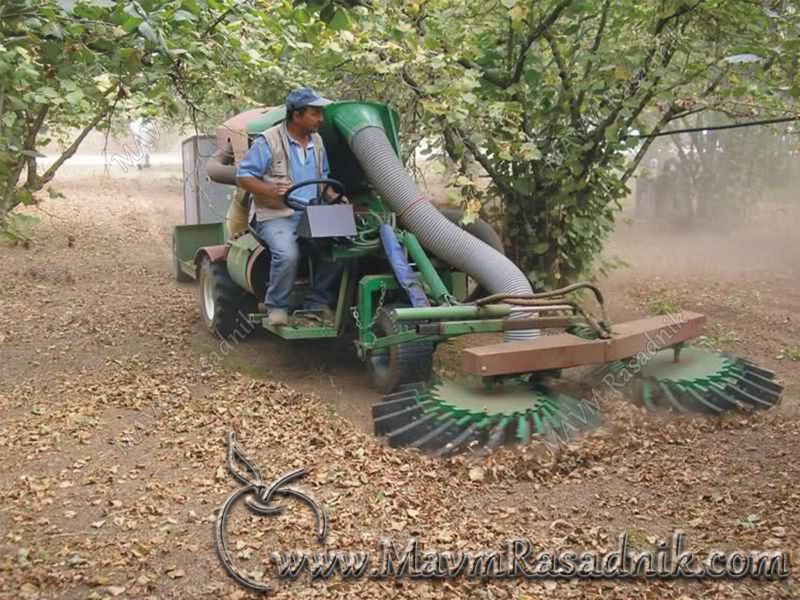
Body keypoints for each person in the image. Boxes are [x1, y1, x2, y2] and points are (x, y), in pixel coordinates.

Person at [236, 88, 343, 327]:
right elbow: (243, 177)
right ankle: (277, 306)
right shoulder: (268, 141)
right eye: (315, 114)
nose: (321, 119)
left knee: (343, 248)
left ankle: (315, 304)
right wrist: (269, 189)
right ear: (297, 116)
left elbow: (323, 178)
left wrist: (335, 197)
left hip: (311, 213)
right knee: (287, 254)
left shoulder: (317, 141)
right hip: (275, 214)